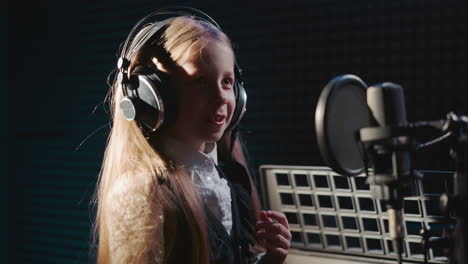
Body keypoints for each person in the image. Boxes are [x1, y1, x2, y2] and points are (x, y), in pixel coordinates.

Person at [92, 8, 292, 264]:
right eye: (201, 82)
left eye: (227, 82)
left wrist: (271, 259)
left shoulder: (230, 180)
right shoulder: (142, 192)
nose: (221, 97)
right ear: (155, 97)